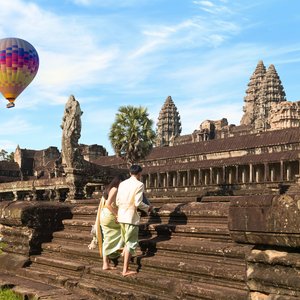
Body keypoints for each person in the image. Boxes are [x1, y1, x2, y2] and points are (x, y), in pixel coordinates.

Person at [116, 164, 152, 276]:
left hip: (121, 216)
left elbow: (117, 201)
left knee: (126, 241)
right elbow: (138, 203)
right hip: (131, 217)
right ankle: (125, 270)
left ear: (130, 173)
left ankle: (125, 264)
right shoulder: (139, 184)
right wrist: (148, 208)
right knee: (130, 243)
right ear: (139, 173)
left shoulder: (122, 184)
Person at [99, 174, 125, 270]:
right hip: (110, 215)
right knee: (124, 231)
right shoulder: (115, 189)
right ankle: (121, 251)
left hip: (105, 216)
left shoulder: (110, 189)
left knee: (108, 238)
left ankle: (106, 263)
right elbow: (108, 204)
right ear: (119, 182)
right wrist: (117, 214)